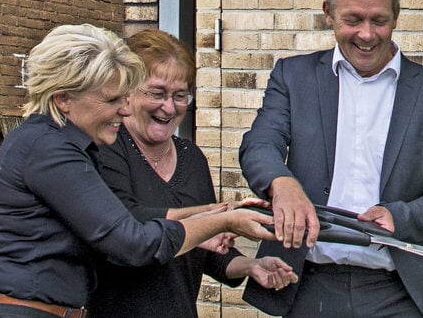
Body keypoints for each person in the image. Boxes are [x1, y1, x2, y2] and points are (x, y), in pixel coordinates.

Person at [0, 24, 275, 317]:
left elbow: (130, 222)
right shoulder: (49, 150)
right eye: (112, 100)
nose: (123, 109)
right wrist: (223, 219)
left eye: (180, 95)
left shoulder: (62, 146)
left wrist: (215, 217)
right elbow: (131, 240)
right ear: (64, 99)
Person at [240, 0, 423, 318]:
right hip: (307, 283)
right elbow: (259, 145)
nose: (366, 34)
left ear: (396, 16)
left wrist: (401, 215)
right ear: (328, 13)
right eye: (353, 20)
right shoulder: (292, 76)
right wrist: (282, 184)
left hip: (398, 292)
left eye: (379, 20)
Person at [89, 29, 297, 317]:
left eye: (180, 95)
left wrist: (251, 266)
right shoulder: (107, 146)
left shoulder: (192, 157)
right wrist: (218, 216)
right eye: (158, 93)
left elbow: (206, 251)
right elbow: (126, 221)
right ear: (128, 91)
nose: (169, 107)